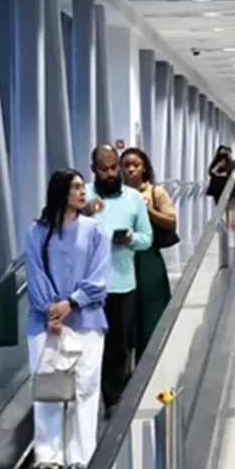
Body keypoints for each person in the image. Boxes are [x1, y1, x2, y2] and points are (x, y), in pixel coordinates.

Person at [24, 170, 109, 469]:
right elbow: (33, 273)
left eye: (82, 186)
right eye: (75, 187)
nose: (82, 191)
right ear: (61, 192)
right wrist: (51, 310)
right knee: (48, 385)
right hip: (45, 323)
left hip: (86, 319)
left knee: (86, 387)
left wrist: (72, 303)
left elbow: (99, 277)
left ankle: (82, 453)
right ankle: (47, 453)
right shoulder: (38, 231)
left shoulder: (95, 230)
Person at [90, 145, 154, 412]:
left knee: (119, 346)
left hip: (122, 284)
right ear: (94, 169)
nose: (111, 172)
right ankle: (91, 400)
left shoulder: (134, 199)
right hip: (89, 287)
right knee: (90, 348)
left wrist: (130, 239)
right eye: (104, 169)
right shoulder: (85, 199)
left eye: (114, 166)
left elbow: (147, 239)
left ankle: (113, 400)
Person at [122, 147, 177, 350]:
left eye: (135, 165)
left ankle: (153, 354)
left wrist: (148, 210)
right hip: (122, 257)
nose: (131, 170)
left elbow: (171, 221)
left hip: (148, 257)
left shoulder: (155, 192)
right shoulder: (118, 195)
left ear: (144, 168)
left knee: (151, 308)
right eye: (126, 165)